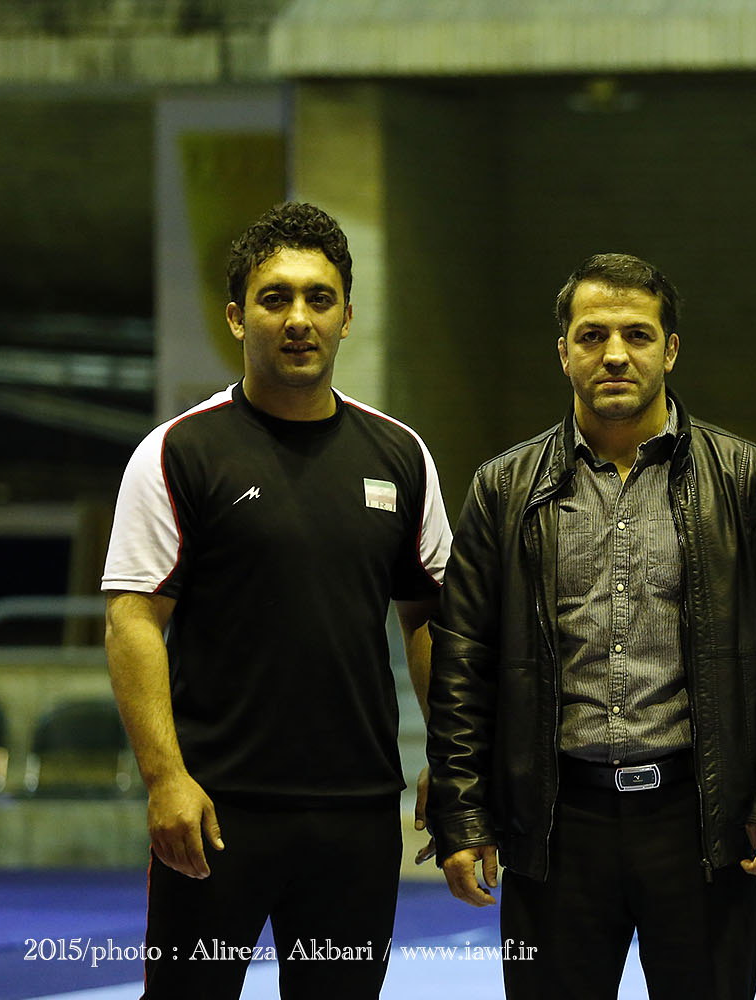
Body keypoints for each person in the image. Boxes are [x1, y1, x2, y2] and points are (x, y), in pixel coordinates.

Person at [425, 253, 756, 999]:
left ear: (670, 349)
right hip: (556, 825)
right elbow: (463, 662)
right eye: (593, 336)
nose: (615, 354)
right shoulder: (501, 488)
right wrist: (462, 810)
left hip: (699, 821)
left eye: (637, 335)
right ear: (564, 352)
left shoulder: (747, 478)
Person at [102, 201, 451, 998]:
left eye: (319, 299)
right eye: (274, 298)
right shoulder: (178, 452)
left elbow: (432, 620)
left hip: (358, 814)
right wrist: (165, 778)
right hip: (215, 812)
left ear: (347, 317)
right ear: (236, 316)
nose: (299, 319)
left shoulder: (401, 455)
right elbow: (132, 620)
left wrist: (453, 755)